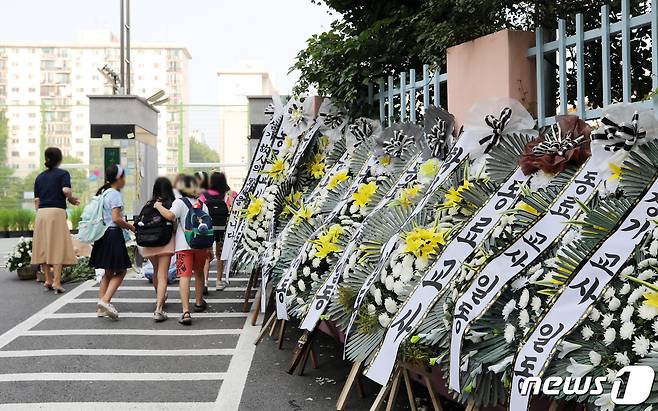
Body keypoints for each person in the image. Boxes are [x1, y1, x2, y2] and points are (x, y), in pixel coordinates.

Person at [154, 176, 210, 325]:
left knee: (184, 277)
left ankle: (186, 312)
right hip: (201, 245)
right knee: (199, 273)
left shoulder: (179, 203)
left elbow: (171, 216)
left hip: (183, 246)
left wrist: (158, 207)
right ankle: (198, 302)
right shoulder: (203, 205)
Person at [89, 164, 136, 320]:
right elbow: (116, 219)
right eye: (123, 177)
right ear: (118, 178)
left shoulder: (104, 193)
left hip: (103, 235)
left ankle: (100, 308)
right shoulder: (115, 194)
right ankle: (105, 301)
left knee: (108, 272)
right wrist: (131, 227)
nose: (124, 180)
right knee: (121, 271)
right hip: (113, 235)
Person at [32, 147, 80, 294]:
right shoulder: (63, 174)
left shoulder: (39, 177)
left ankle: (48, 279)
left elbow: (36, 200)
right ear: (59, 159)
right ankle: (57, 282)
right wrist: (72, 199)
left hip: (41, 213)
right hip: (56, 212)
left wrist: (41, 212)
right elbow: (66, 190)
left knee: (44, 246)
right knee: (57, 246)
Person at [140, 177, 176, 322]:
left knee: (156, 272)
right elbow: (174, 221)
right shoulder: (170, 203)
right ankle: (159, 309)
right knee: (162, 275)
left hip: (148, 242)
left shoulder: (149, 203)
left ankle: (159, 298)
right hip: (165, 242)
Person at [200, 172, 231, 291]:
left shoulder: (204, 195)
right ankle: (218, 281)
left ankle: (205, 282)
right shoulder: (227, 195)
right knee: (220, 256)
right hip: (222, 229)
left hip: (208, 228)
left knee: (207, 256)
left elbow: (199, 210)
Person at [195, 171, 211, 295]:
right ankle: (204, 282)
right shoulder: (208, 194)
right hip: (205, 230)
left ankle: (202, 283)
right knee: (205, 257)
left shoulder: (190, 197)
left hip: (190, 234)